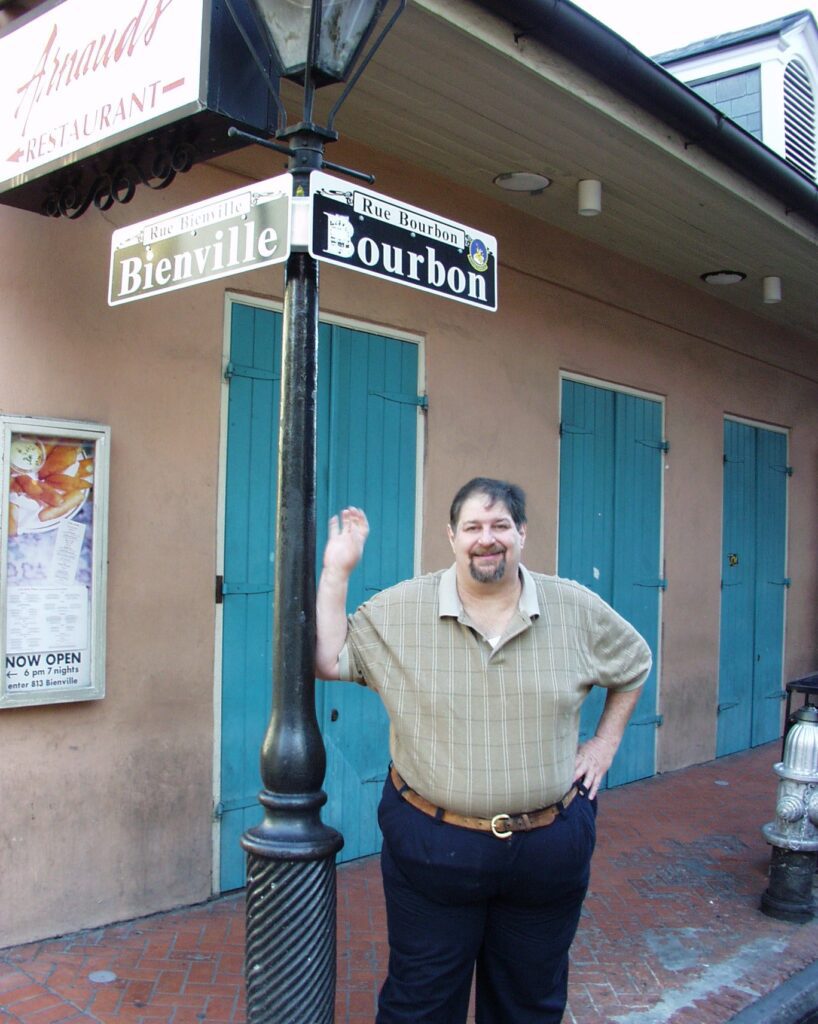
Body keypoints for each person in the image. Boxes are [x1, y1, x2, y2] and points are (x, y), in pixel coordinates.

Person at [315, 477, 652, 1024]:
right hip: (432, 847)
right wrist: (338, 571)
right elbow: (328, 659)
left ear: (521, 533)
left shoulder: (575, 608)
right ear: (452, 536)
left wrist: (604, 743)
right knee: (418, 1005)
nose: (486, 539)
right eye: (472, 526)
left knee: (530, 1005)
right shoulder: (401, 610)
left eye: (500, 526)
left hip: (547, 850)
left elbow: (635, 663)